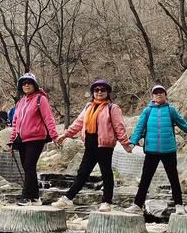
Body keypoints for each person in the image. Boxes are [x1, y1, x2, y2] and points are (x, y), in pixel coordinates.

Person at [52, 80, 132, 212]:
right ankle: (68, 198)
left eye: (102, 90)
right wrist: (65, 135)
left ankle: (106, 202)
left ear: (107, 93)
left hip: (104, 145)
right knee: (82, 172)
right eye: (96, 90)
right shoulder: (88, 107)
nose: (99, 92)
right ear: (93, 93)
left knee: (106, 173)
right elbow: (78, 123)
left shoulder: (112, 108)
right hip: (90, 145)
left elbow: (119, 127)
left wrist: (125, 144)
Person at [124, 85, 187, 215]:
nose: (159, 94)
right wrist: (132, 142)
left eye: (161, 92)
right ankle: (137, 205)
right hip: (151, 151)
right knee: (145, 179)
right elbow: (139, 128)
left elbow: (184, 125)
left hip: (169, 151)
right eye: (156, 93)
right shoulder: (147, 111)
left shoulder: (171, 110)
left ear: (165, 95)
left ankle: (179, 205)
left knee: (173, 179)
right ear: (153, 96)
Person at [9, 73, 59, 206]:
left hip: (36, 138)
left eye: (29, 83)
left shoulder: (40, 99)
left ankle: (26, 197)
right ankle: (35, 197)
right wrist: (12, 139)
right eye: (24, 83)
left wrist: (54, 136)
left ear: (34, 85)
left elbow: (48, 118)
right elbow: (15, 122)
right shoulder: (20, 102)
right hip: (22, 140)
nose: (26, 85)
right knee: (27, 168)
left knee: (29, 166)